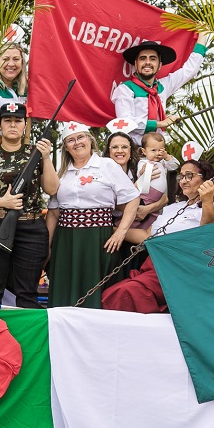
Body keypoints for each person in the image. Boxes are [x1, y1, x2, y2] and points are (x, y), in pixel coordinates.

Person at [101, 158, 214, 313]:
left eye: (189, 176)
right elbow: (147, 235)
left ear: (206, 179)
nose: (183, 181)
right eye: (181, 177)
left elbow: (210, 237)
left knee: (126, 294)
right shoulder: (172, 208)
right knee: (111, 293)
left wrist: (207, 200)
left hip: (181, 269)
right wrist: (107, 229)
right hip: (155, 265)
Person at [0, 102, 58, 307]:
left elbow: (52, 189)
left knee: (27, 292)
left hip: (31, 228)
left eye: (18, 120)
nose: (13, 125)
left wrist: (46, 157)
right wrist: (3, 202)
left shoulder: (36, 154)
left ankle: (27, 338)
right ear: (0, 124)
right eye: (8, 120)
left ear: (25, 124)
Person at [45, 123, 140, 309]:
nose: (77, 143)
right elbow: (54, 212)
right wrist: (47, 246)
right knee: (66, 291)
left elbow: (133, 198)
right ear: (65, 146)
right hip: (66, 240)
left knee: (98, 291)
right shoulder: (62, 173)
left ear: (90, 139)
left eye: (81, 137)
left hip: (99, 238)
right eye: (71, 140)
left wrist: (120, 232)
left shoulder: (107, 165)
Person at [110, 33, 213, 145]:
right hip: (134, 152)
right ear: (136, 64)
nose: (148, 62)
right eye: (143, 58)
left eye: (153, 59)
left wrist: (202, 36)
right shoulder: (125, 89)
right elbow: (125, 122)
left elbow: (189, 70)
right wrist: (160, 124)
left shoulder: (163, 87)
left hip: (157, 153)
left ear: (159, 65)